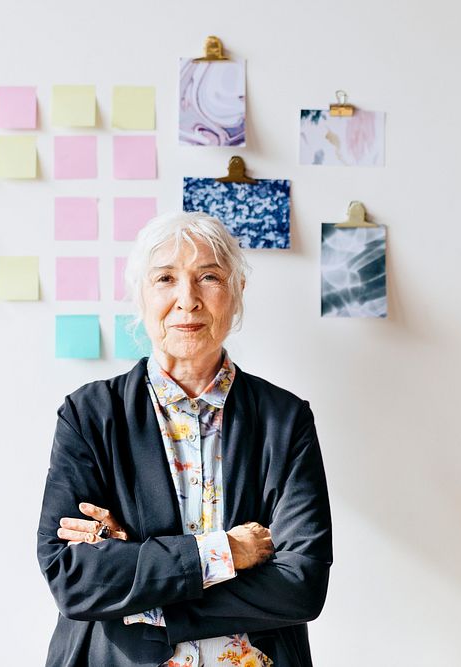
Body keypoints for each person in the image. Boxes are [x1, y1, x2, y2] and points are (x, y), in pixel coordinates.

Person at [37, 211, 332, 666]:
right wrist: (227, 551)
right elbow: (74, 579)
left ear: (236, 291)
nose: (187, 299)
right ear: (140, 294)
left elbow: (300, 585)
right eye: (165, 279)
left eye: (208, 276)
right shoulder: (90, 414)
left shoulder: (284, 419)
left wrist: (140, 583)